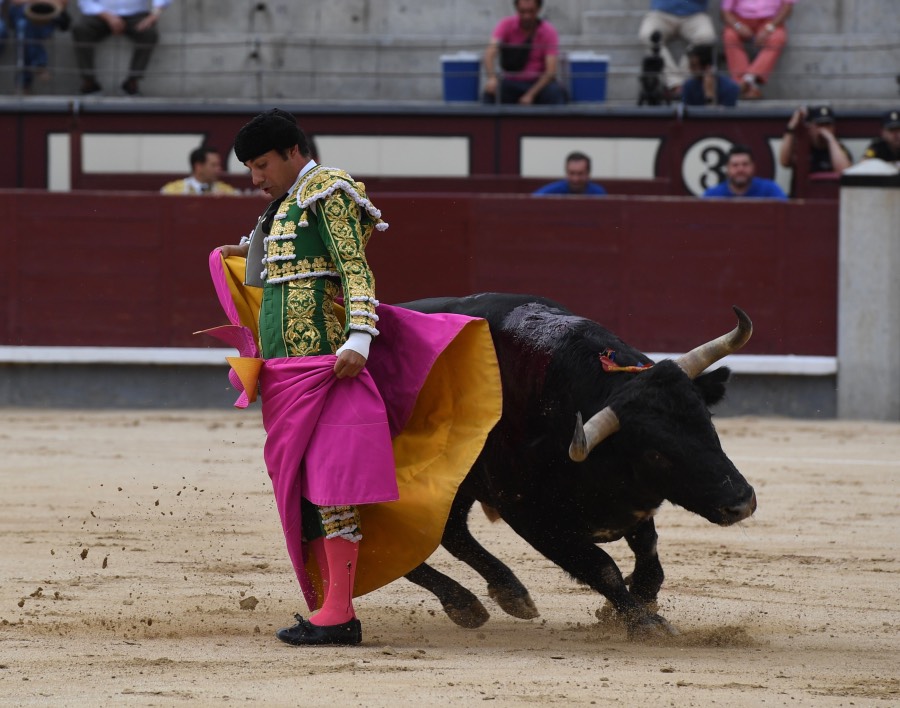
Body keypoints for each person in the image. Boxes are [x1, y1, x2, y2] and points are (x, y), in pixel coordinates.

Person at [210, 109, 501, 647]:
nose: (254, 177)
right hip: (287, 371)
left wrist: (360, 339)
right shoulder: (282, 206)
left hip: (328, 364)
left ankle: (339, 615)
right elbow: (283, 267)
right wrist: (244, 251)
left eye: (262, 164)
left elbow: (355, 267)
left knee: (331, 488)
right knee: (305, 489)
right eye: (250, 166)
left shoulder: (328, 189)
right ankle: (330, 606)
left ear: (294, 151)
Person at [72, 0, 169, 96]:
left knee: (149, 34)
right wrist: (108, 17)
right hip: (101, 14)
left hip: (136, 14)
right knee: (81, 29)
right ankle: (89, 82)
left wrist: (155, 14)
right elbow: (85, 2)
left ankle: (132, 83)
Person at [482, 0, 566, 105]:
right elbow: (490, 52)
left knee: (556, 92)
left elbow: (551, 71)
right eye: (522, 12)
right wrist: (492, 78)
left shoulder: (549, 31)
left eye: (531, 11)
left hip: (538, 84)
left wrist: (530, 94)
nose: (527, 16)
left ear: (538, 10)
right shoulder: (506, 25)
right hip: (511, 82)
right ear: (516, 9)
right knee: (490, 92)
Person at [638, 0, 716, 98]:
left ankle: (684, 82)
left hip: (694, 14)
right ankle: (674, 83)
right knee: (647, 35)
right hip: (661, 14)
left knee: (707, 36)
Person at [720, 0, 796, 100]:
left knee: (778, 37)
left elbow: (788, 8)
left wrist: (769, 28)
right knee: (729, 36)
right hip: (740, 21)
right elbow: (725, 11)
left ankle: (746, 81)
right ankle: (748, 86)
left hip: (770, 21)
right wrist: (738, 26)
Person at [0, 0, 69, 94]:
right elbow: (16, 2)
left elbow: (62, 3)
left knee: (24, 27)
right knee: (24, 24)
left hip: (47, 17)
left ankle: (23, 84)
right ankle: (39, 64)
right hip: (22, 15)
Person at [779, 105, 852, 176]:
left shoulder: (839, 149)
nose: (824, 129)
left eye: (827, 125)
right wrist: (792, 125)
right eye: (819, 125)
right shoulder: (803, 148)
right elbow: (785, 162)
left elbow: (844, 173)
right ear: (810, 128)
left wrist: (830, 139)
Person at [702, 144, 787, 198]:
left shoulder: (770, 191)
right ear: (727, 169)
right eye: (735, 165)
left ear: (753, 167)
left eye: (745, 164)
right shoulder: (712, 196)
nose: (740, 169)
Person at [160, 145, 237, 195]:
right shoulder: (173, 191)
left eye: (218, 165)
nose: (219, 169)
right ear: (199, 166)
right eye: (213, 165)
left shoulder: (227, 192)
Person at [533, 152, 607, 195]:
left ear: (588, 174)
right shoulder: (551, 192)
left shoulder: (598, 193)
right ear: (566, 172)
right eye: (572, 173)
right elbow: (532, 202)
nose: (575, 179)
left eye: (580, 174)